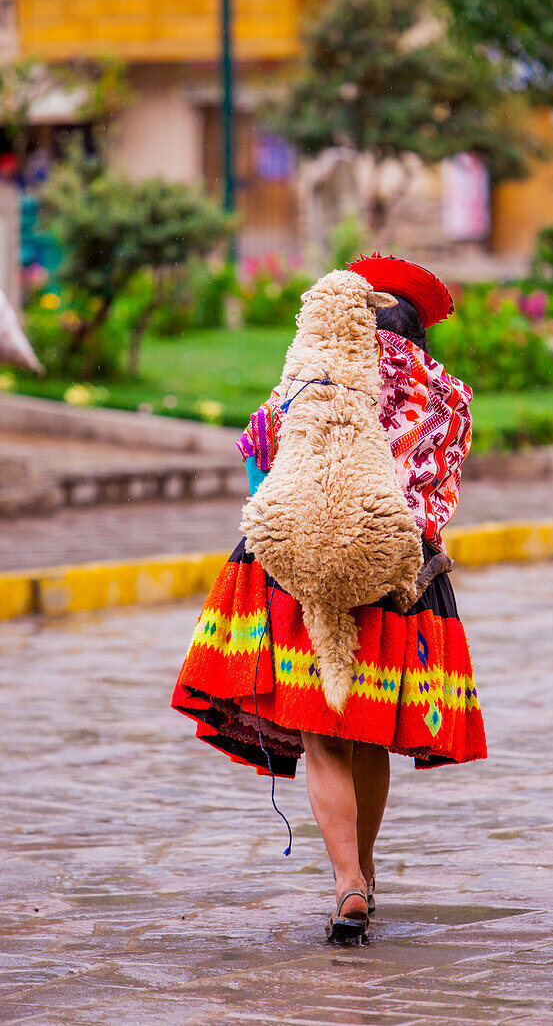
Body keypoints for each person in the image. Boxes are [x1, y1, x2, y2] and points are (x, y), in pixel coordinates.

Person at [171, 254, 487, 943]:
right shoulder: (446, 399)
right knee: (366, 731)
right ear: (415, 328)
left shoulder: (308, 379)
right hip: (398, 584)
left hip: (300, 573)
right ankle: (364, 876)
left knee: (322, 736)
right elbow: (435, 493)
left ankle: (345, 880)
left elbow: (257, 452)